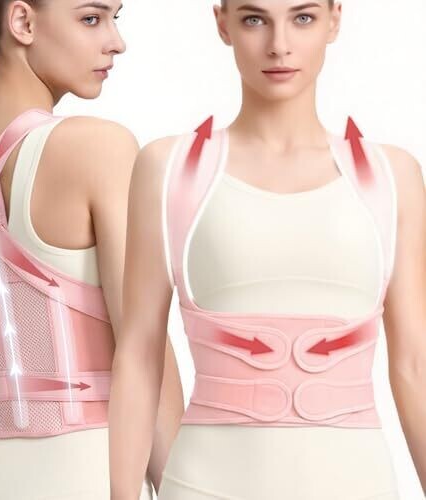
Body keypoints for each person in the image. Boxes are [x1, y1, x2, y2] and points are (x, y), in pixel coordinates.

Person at [108, 1, 426, 499]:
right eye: (255, 19)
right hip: (205, 484)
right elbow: (138, 354)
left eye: (303, 18)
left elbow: (413, 364)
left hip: (356, 484)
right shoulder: (168, 168)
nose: (279, 45)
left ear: (334, 19)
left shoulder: (392, 176)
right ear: (223, 24)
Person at [0, 1, 184, 499]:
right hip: (83, 474)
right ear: (23, 22)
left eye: (115, 18)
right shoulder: (99, 148)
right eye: (91, 18)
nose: (116, 42)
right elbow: (144, 351)